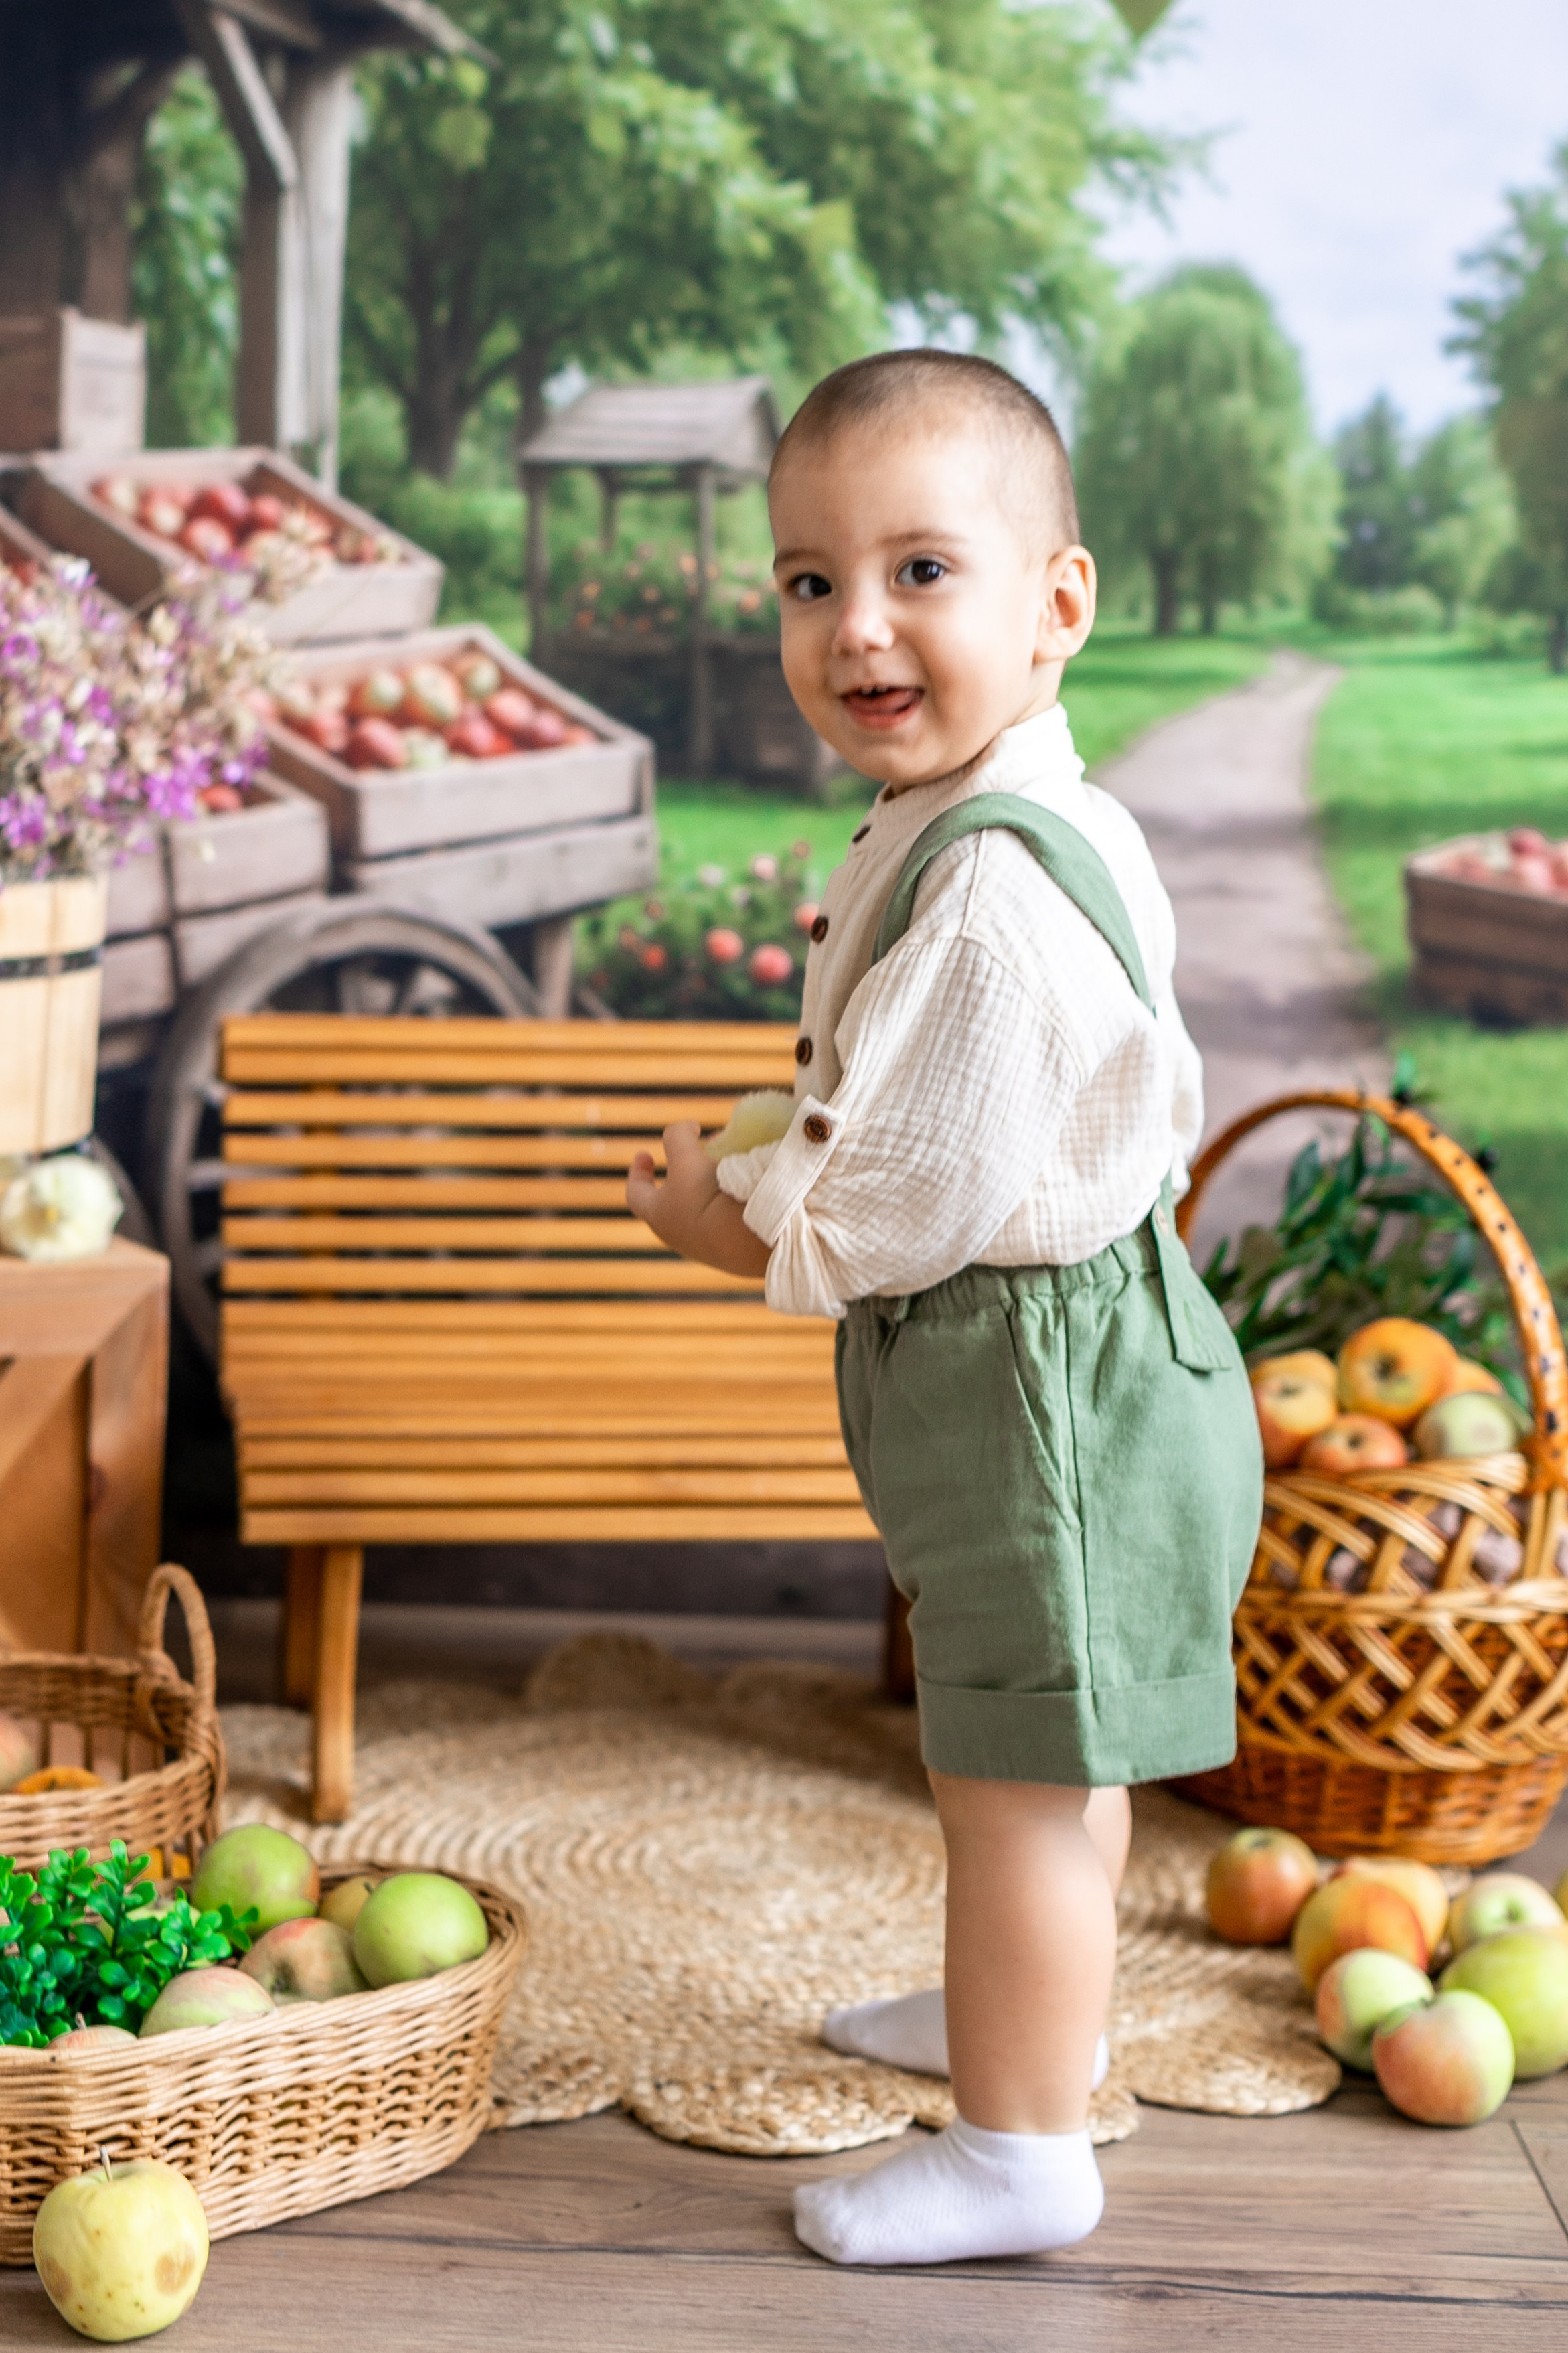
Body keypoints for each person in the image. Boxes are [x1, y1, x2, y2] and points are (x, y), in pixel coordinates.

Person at [625, 347, 1263, 2269]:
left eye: (923, 571)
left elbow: (896, 1208)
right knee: (1027, 1749)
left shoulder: (994, 896)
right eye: (814, 582)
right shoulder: (975, 811)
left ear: (1058, 602)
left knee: (1019, 1776)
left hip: (1039, 1385)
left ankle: (1018, 2149)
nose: (860, 629)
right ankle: (1020, 2025)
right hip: (1043, 1369)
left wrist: (712, 1216)